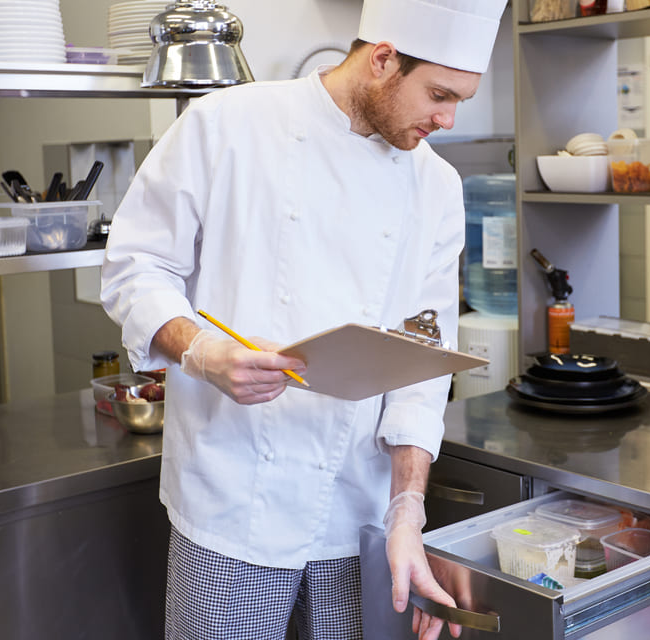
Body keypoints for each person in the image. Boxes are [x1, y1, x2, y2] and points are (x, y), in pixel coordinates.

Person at [100, 0, 507, 638]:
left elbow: (422, 363)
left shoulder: (437, 187)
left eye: (461, 100)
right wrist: (204, 353)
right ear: (382, 60)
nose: (447, 119)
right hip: (233, 504)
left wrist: (407, 511)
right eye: (438, 94)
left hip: (358, 513)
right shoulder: (225, 125)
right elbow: (135, 270)